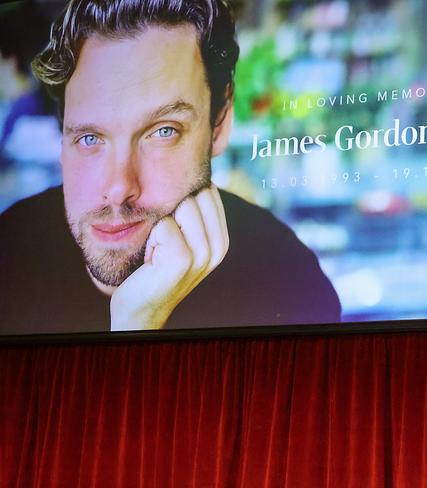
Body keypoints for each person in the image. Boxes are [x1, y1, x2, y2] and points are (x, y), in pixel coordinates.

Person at [0, 0, 341, 335]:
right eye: (90, 138)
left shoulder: (288, 280)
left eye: (163, 131)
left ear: (219, 124)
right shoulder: (9, 255)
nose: (118, 187)